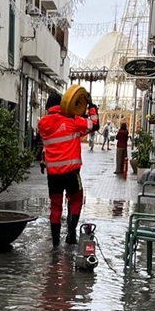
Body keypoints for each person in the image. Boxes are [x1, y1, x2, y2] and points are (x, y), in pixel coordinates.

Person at [38, 91, 99, 247]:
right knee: (76, 200)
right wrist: (91, 106)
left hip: (53, 175)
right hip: (72, 173)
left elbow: (48, 145)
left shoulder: (42, 124)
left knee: (55, 207)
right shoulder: (72, 120)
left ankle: (56, 243)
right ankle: (71, 235)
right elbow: (94, 124)